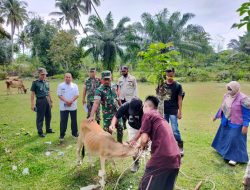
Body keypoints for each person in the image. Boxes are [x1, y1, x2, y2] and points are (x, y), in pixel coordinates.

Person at [132, 96, 180, 190]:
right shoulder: (159, 118)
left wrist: (141, 146)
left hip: (162, 159)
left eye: (143, 107)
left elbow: (144, 139)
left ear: (145, 106)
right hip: (176, 158)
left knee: (145, 187)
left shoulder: (147, 114)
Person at [212, 81, 250, 166]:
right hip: (226, 119)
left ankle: (234, 158)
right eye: (228, 88)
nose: (229, 90)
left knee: (235, 139)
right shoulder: (226, 96)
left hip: (237, 122)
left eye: (231, 88)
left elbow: (247, 113)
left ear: (236, 88)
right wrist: (216, 116)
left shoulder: (244, 99)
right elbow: (222, 107)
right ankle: (223, 151)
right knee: (224, 136)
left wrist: (245, 125)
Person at [109, 98, 143, 172]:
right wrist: (112, 124)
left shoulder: (145, 110)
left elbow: (142, 128)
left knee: (145, 144)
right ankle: (136, 162)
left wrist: (135, 139)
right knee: (133, 146)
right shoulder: (126, 106)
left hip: (143, 128)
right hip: (132, 127)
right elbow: (116, 116)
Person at [88, 71, 123, 143]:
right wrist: (91, 116)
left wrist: (122, 107)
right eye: (105, 79)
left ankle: (120, 144)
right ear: (101, 79)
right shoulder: (99, 90)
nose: (107, 81)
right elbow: (96, 103)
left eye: (108, 79)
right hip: (107, 115)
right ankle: (107, 147)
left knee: (120, 128)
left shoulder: (114, 86)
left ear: (111, 78)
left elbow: (117, 97)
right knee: (107, 132)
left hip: (117, 112)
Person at [162, 68, 184, 156]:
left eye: (171, 75)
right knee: (164, 129)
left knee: (175, 130)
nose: (169, 77)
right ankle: (166, 146)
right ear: (165, 75)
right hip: (164, 110)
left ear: (174, 74)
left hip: (173, 110)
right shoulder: (163, 85)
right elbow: (159, 97)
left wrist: (180, 112)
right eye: (168, 75)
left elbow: (180, 99)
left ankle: (180, 146)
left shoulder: (178, 85)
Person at [30, 68, 54, 137]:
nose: (44, 76)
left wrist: (51, 101)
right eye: (42, 74)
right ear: (39, 74)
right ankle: (40, 131)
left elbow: (48, 92)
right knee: (40, 117)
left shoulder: (47, 82)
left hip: (47, 100)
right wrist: (32, 104)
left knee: (48, 115)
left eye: (45, 74)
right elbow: (32, 93)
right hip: (40, 101)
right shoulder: (35, 82)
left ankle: (48, 129)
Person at [57, 73, 79, 141]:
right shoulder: (60, 85)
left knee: (74, 121)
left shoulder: (75, 85)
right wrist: (67, 101)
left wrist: (71, 101)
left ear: (71, 78)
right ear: (64, 78)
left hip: (73, 106)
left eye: (69, 77)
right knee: (63, 121)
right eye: (66, 77)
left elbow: (77, 95)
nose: (68, 78)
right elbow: (59, 95)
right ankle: (62, 135)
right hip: (63, 107)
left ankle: (74, 134)